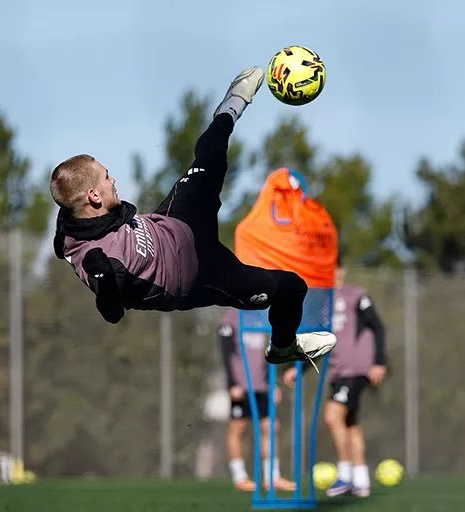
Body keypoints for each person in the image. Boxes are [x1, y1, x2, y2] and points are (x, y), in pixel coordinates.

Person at [49, 66, 336, 366]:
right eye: (107, 177)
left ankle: (235, 99)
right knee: (292, 287)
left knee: (210, 156)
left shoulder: (76, 215)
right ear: (93, 196)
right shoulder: (95, 259)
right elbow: (112, 312)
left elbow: (67, 196)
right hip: (201, 274)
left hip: (178, 221)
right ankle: (283, 346)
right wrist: (103, 278)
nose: (113, 180)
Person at [284, 259, 387, 498]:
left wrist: (379, 362)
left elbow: (379, 327)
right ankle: (361, 480)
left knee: (332, 417)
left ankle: (345, 475)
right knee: (350, 423)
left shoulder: (356, 296)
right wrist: (298, 369)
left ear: (342, 270)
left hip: (356, 369)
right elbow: (321, 344)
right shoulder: (323, 304)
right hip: (338, 371)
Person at [218, 308, 296, 492]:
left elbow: (270, 353)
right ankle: (240, 477)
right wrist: (232, 383)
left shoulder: (264, 317)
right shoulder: (232, 316)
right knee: (238, 428)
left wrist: (273, 383)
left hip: (262, 386)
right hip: (241, 386)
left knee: (270, 427)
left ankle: (272, 476)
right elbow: (225, 352)